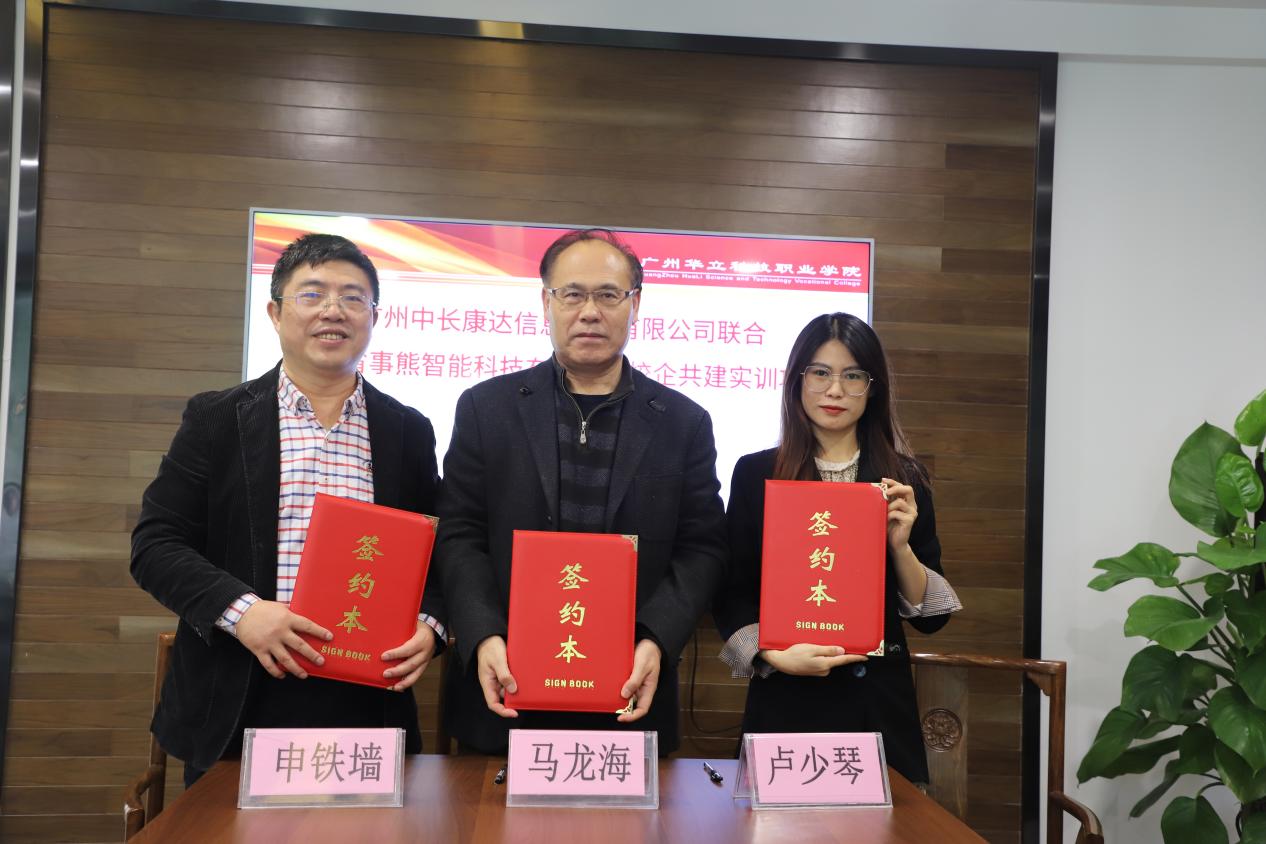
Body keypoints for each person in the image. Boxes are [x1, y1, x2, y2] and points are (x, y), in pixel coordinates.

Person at [131, 233, 445, 785]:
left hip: (366, 698)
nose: (333, 310)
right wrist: (244, 612)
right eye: (312, 294)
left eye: (353, 297)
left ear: (375, 317)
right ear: (275, 313)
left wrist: (432, 626)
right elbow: (156, 545)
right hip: (240, 688)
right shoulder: (216, 419)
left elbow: (443, 551)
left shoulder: (408, 430)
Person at [435, 227, 727, 754]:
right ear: (545, 302)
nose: (589, 312)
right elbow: (460, 532)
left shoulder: (684, 422)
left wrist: (655, 638)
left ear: (635, 304)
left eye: (608, 295)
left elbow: (702, 546)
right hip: (506, 690)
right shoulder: (485, 408)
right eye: (572, 294)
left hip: (629, 694)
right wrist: (483, 633)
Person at [713, 312, 961, 783]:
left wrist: (900, 546)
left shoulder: (904, 479)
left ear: (873, 387)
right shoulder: (756, 473)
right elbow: (731, 589)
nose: (835, 390)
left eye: (853, 376)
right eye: (821, 373)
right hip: (787, 698)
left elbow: (932, 620)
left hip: (877, 708)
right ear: (797, 381)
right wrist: (770, 654)